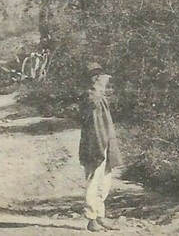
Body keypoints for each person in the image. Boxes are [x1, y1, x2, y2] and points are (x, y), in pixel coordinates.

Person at [78, 62, 122, 232]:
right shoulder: (89, 95)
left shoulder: (98, 95)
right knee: (93, 180)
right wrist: (101, 82)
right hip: (93, 143)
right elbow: (94, 97)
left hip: (104, 142)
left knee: (104, 180)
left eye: (99, 74)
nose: (98, 77)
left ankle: (100, 215)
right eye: (94, 75)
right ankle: (91, 219)